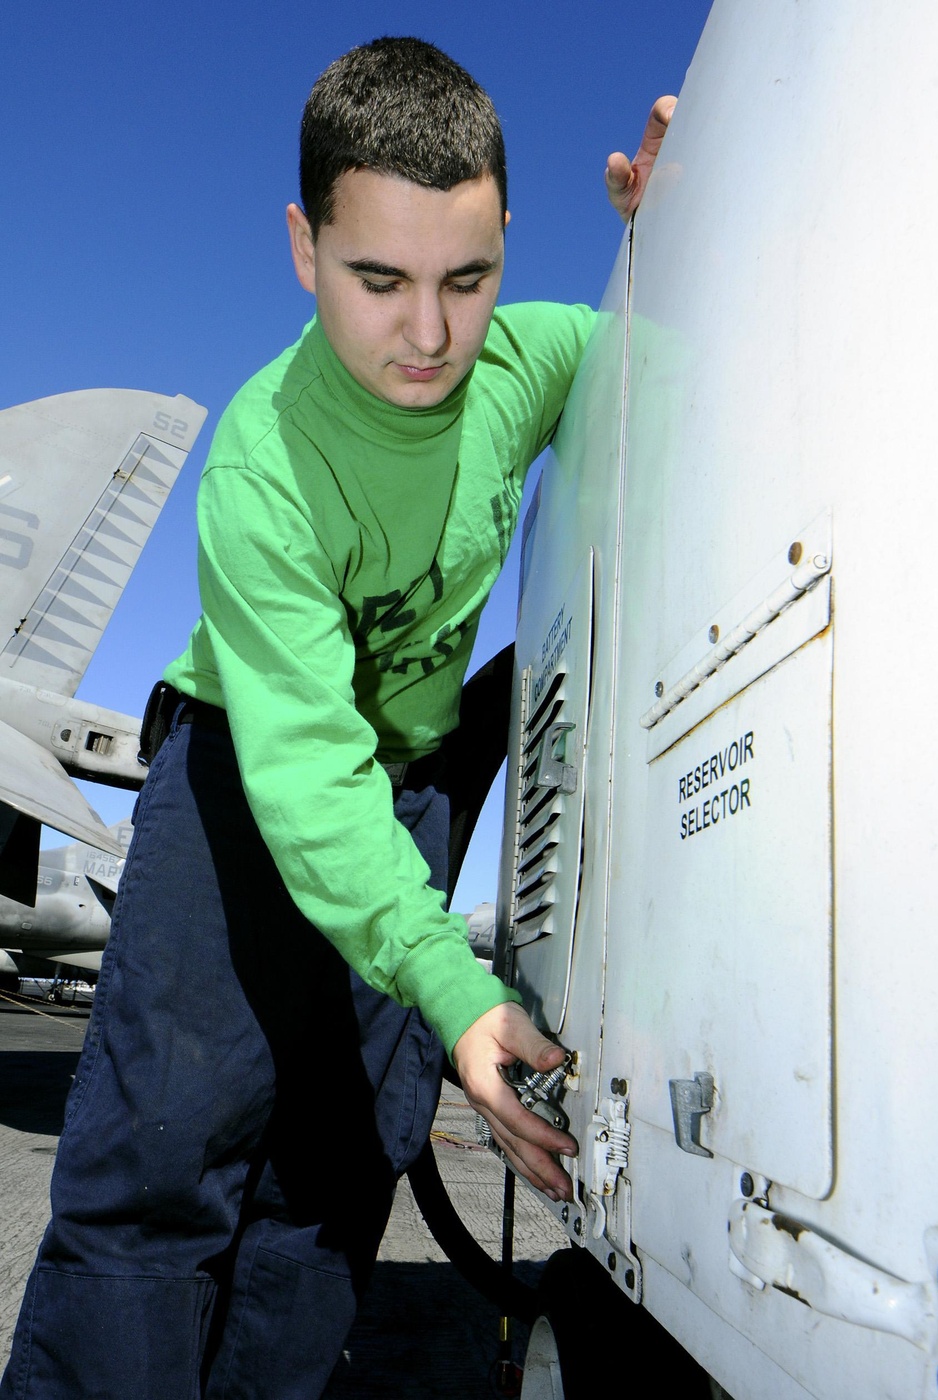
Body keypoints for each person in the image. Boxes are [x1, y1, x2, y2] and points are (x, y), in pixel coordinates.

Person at [1, 38, 673, 1400]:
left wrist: (674, 236)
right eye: (380, 280)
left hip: (412, 787)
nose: (428, 334)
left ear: (501, 253)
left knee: (337, 1177)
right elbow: (306, 775)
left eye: (466, 280)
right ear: (306, 249)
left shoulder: (528, 364)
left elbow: (670, 358)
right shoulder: (265, 463)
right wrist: (455, 988)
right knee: (163, 1165)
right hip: (245, 778)